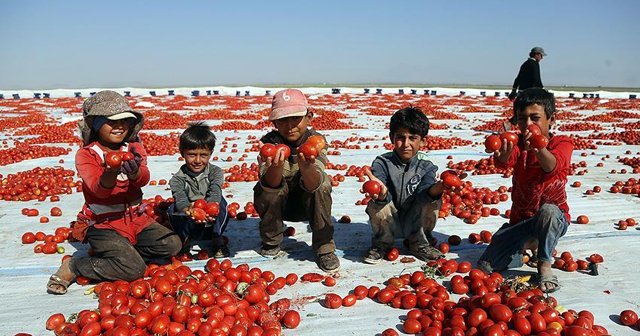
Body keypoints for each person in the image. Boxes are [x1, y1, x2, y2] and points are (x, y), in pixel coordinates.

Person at [47, 90, 182, 295]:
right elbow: (98, 191)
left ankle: (123, 254)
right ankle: (75, 266)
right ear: (97, 124)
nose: (120, 126)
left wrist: (135, 171)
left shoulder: (134, 148)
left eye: (125, 121)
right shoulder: (87, 155)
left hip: (136, 220)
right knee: (135, 270)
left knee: (172, 244)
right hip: (104, 224)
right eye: (112, 121)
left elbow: (144, 179)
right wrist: (110, 172)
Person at [478, 88, 573, 293]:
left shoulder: (562, 143)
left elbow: (552, 166)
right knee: (487, 265)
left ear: (551, 119)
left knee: (548, 211)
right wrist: (502, 153)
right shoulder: (518, 143)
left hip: (554, 218)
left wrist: (538, 147)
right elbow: (504, 162)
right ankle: (527, 244)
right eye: (522, 119)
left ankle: (544, 262)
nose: (528, 125)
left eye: (535, 118)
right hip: (521, 221)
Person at [253, 89, 339, 272]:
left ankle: (324, 246)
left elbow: (314, 184)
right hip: (280, 206)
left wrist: (307, 167)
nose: (290, 125)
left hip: (307, 204)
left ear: (309, 117)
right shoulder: (269, 144)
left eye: (295, 118)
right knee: (265, 188)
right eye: (283, 119)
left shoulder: (316, 141)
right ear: (274, 122)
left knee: (323, 183)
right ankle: (272, 240)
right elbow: (271, 185)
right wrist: (275, 167)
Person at [362, 106, 448, 264]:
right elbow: (381, 189)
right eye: (400, 137)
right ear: (391, 138)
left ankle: (419, 242)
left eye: (412, 138)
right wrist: (381, 192)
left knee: (434, 200)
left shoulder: (426, 166)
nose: (405, 144)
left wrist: (440, 187)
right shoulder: (382, 163)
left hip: (414, 219)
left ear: (423, 141)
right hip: (390, 219)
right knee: (377, 203)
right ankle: (383, 243)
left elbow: (425, 193)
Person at [168, 122, 229, 258]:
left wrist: (211, 208)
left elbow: (215, 190)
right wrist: (187, 211)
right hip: (190, 220)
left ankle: (217, 238)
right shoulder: (177, 179)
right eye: (192, 154)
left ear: (210, 153)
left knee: (223, 204)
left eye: (203, 155)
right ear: (182, 153)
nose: (197, 160)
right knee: (172, 210)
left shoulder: (215, 172)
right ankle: (184, 240)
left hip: (211, 219)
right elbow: (180, 197)